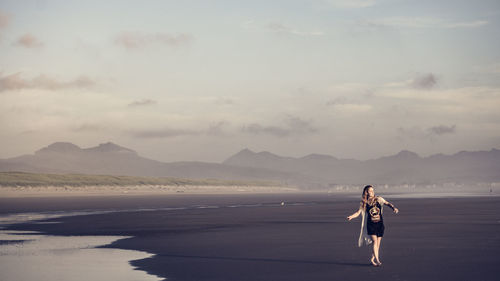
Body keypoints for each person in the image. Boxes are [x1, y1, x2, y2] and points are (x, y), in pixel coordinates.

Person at [347, 185, 399, 266]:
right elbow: (358, 212)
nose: (372, 192)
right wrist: (351, 216)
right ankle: (378, 260)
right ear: (366, 192)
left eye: (372, 190)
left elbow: (387, 203)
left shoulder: (379, 199)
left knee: (377, 244)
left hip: (380, 224)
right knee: (375, 242)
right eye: (370, 191)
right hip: (371, 225)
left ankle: (372, 259)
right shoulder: (364, 202)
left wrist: (394, 208)